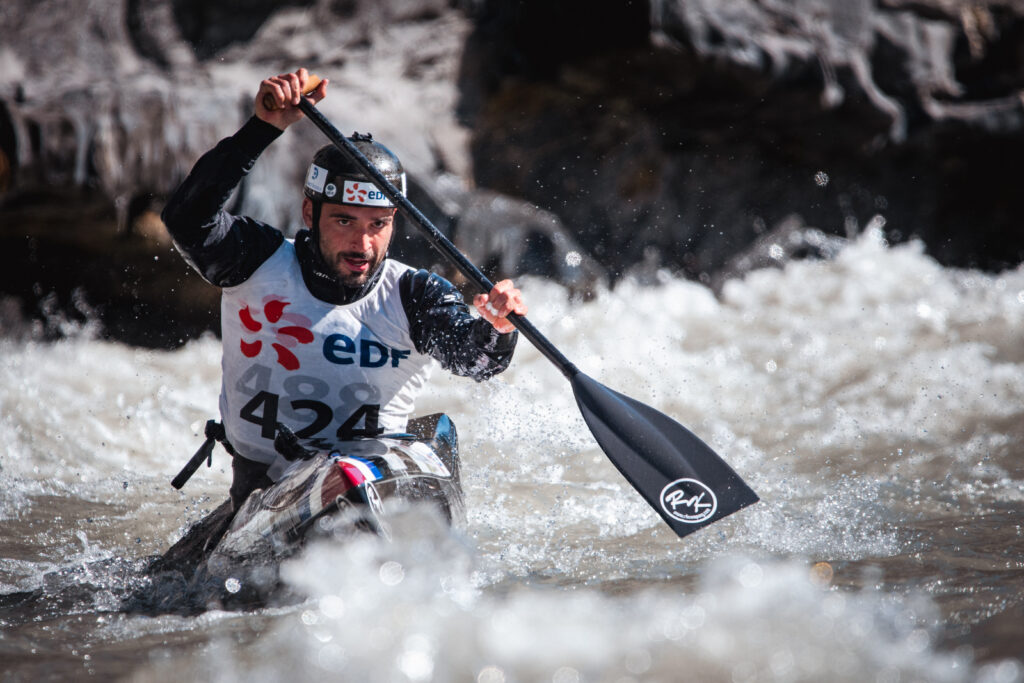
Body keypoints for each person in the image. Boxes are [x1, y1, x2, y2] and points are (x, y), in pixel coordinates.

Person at [162, 68, 527, 513]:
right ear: (309, 213)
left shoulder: (414, 294)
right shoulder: (255, 261)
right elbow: (186, 220)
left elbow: (479, 359)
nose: (363, 243)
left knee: (366, 472)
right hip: (264, 493)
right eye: (344, 221)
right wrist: (263, 128)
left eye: (379, 225)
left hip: (373, 484)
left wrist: (500, 326)